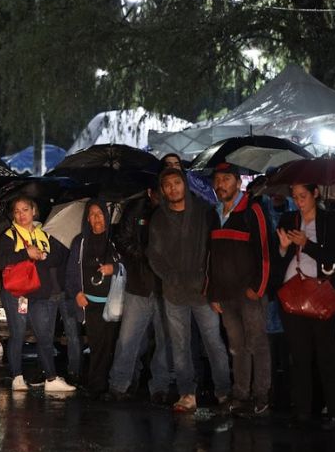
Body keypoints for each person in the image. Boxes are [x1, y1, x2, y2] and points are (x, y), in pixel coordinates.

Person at [148, 168, 232, 412]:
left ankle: (224, 391)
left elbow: (214, 249)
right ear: (162, 190)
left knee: (213, 343)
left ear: (185, 184)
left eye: (177, 183)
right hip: (173, 292)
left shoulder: (204, 213)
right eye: (168, 185)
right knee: (180, 345)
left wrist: (208, 280)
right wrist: (171, 277)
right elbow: (154, 254)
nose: (173, 188)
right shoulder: (159, 218)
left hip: (203, 291)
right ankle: (187, 393)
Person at [274, 183, 335, 426]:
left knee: (327, 355)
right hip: (292, 294)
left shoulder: (331, 221)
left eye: (303, 196)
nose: (298, 201)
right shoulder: (288, 217)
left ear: (315, 194)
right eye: (294, 196)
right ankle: (302, 410)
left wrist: (307, 243)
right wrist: (283, 248)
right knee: (299, 356)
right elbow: (276, 258)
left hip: (319, 293)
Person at [206, 163, 272, 416]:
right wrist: (212, 293)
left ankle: (261, 394)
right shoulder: (214, 214)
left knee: (257, 343)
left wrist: (258, 286)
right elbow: (210, 256)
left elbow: (264, 252)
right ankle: (241, 393)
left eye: (226, 179)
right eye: (218, 179)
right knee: (237, 346)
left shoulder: (252, 210)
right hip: (225, 295)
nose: (221, 184)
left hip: (249, 294)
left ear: (238, 182)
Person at [0, 196, 75, 392]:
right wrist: (25, 253)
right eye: (17, 211)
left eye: (25, 210)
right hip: (17, 292)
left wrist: (43, 256)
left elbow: (59, 256)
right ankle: (17, 376)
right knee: (18, 333)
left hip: (41, 293)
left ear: (34, 211)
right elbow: (2, 261)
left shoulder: (45, 234)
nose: (21, 215)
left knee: (45, 336)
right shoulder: (9, 235)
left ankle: (50, 378)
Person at [109, 187, 174, 403]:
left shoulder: (177, 212)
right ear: (150, 191)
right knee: (128, 339)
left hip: (166, 288)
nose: (164, 193)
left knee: (165, 341)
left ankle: (160, 386)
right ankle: (119, 384)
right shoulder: (136, 210)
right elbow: (122, 239)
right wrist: (145, 256)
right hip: (139, 284)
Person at [65, 200, 122, 398]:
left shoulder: (116, 239)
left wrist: (113, 269)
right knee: (97, 344)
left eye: (100, 214)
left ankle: (112, 382)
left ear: (106, 216)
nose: (96, 218)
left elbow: (129, 265)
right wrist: (76, 294)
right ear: (87, 219)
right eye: (92, 214)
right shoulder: (80, 242)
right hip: (91, 303)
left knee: (112, 344)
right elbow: (71, 273)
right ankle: (96, 384)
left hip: (114, 303)